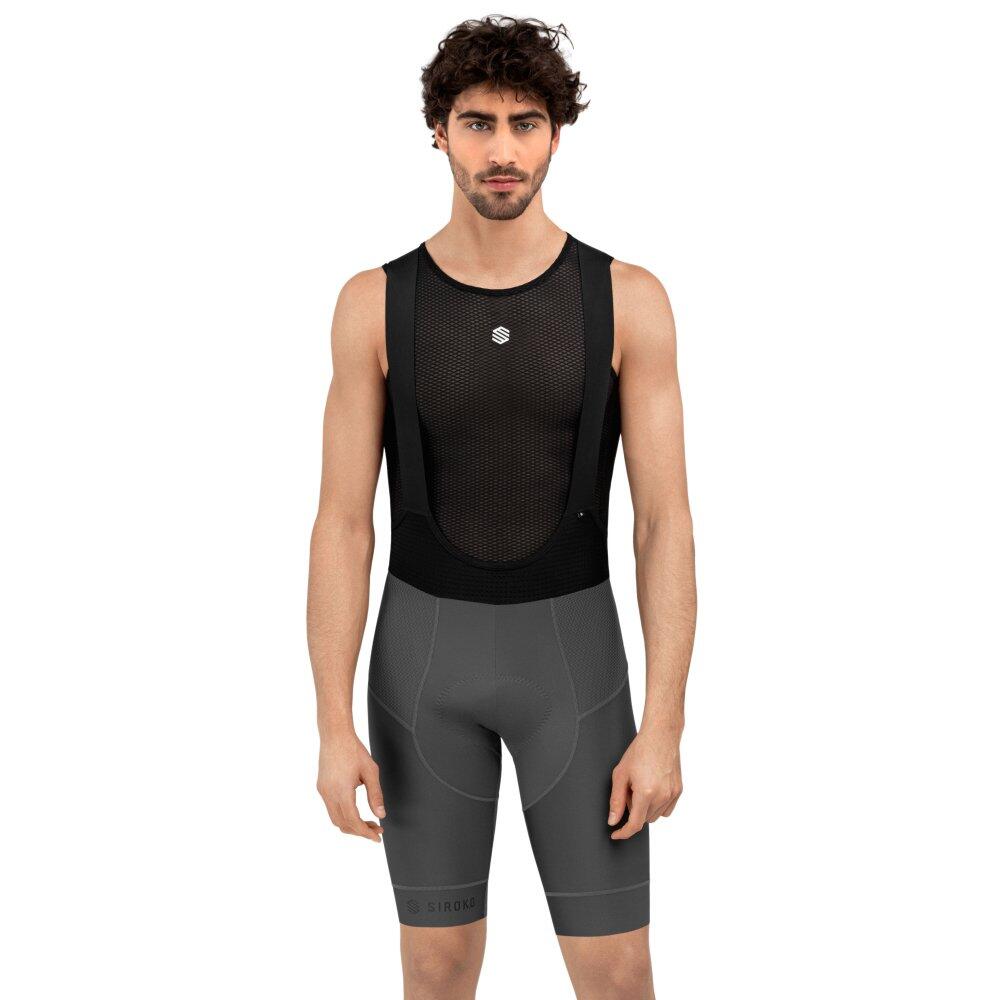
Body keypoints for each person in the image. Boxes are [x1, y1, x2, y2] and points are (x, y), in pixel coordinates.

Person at [307, 16, 696, 999]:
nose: (503, 149)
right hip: (420, 672)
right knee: (435, 968)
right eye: (478, 123)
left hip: (576, 671)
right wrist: (331, 723)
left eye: (525, 123)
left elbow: (663, 523)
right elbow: (343, 523)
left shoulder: (629, 300)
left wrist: (663, 723)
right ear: (439, 131)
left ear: (557, 133)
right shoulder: (372, 304)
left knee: (617, 972)